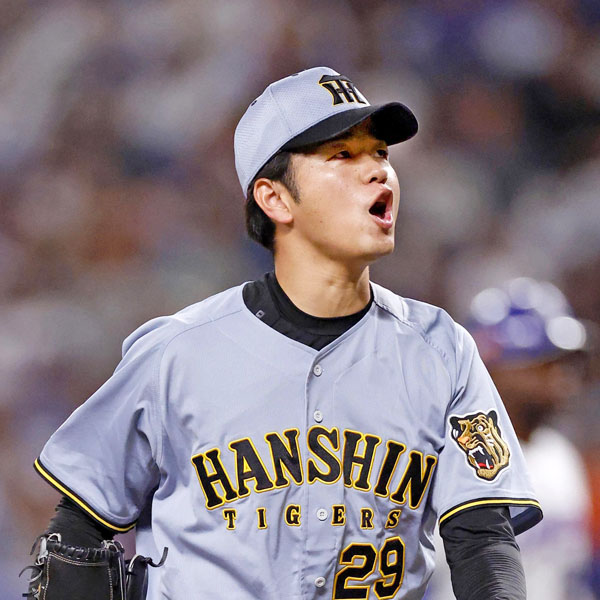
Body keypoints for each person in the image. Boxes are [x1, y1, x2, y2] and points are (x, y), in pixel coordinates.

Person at [22, 67, 542, 600]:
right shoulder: (176, 353)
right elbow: (78, 526)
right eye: (343, 155)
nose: (378, 171)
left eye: (381, 153)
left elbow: (483, 539)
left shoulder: (441, 349)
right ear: (274, 199)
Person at [427, 277, 593, 600]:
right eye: (542, 364)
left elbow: (576, 572)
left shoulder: (559, 455)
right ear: (492, 368)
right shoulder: (437, 461)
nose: (561, 378)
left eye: (563, 364)